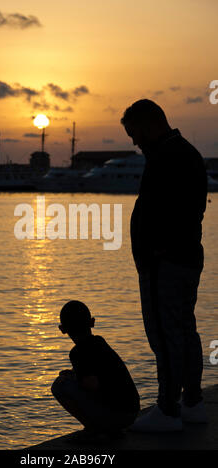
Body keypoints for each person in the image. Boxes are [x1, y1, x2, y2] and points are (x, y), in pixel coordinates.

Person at [121, 99, 208, 432]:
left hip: (166, 263)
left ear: (149, 124)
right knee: (184, 329)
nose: (134, 142)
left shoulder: (168, 157)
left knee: (165, 334)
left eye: (135, 133)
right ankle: (193, 402)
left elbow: (169, 212)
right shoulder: (185, 153)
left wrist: (156, 251)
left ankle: (168, 409)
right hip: (184, 259)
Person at [51, 300, 140, 441]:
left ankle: (94, 429)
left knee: (59, 385)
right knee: (68, 379)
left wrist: (73, 379)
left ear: (62, 329)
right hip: (131, 414)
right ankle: (107, 429)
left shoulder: (77, 352)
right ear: (92, 322)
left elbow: (92, 384)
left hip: (117, 416)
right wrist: (75, 375)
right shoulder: (100, 342)